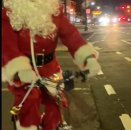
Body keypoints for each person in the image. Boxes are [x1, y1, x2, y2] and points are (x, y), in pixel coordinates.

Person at [2, 0, 101, 130]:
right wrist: (19, 70)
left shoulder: (54, 10)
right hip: (25, 71)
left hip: (50, 68)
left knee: (55, 105)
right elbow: (7, 45)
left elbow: (71, 35)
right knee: (29, 105)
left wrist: (88, 58)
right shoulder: (9, 13)